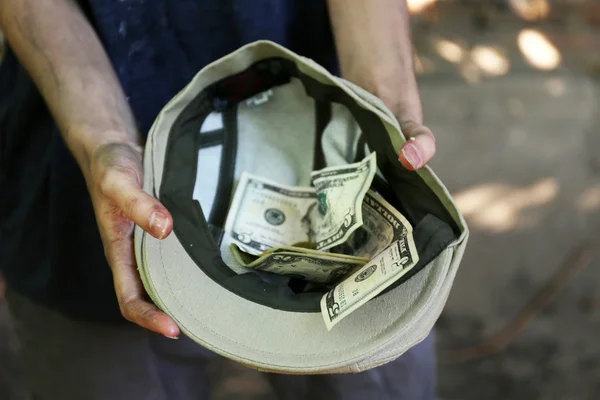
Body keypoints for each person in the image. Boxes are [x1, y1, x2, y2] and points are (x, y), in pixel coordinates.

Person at [0, 1, 438, 399]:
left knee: (379, 365)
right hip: (83, 161)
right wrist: (103, 139)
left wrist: (385, 103)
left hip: (324, 116)